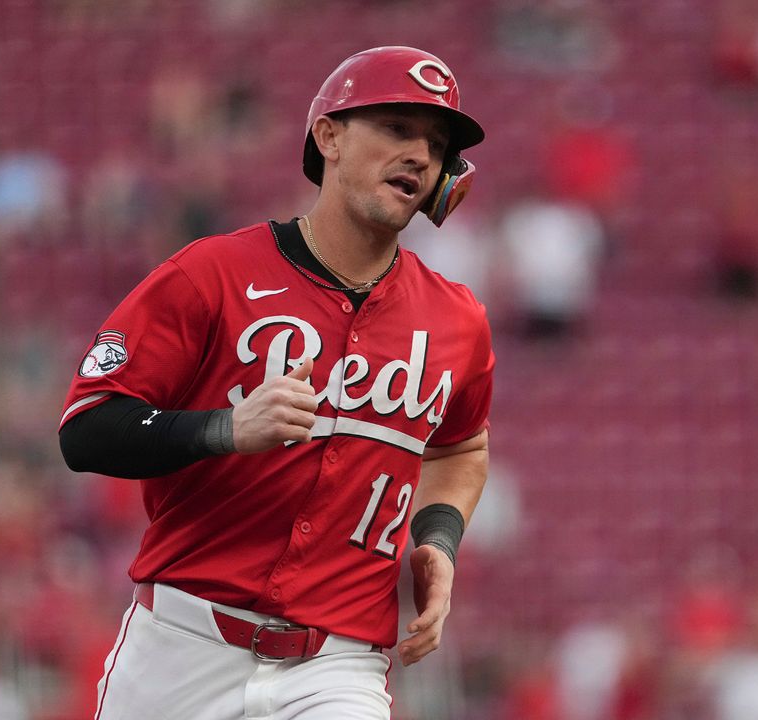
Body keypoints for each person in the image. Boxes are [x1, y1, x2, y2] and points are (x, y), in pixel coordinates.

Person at [57, 46, 494, 719]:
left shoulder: (457, 319)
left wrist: (438, 538)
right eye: (396, 129)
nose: (418, 154)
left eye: (435, 146)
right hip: (181, 645)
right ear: (329, 137)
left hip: (337, 665)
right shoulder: (211, 274)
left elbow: (462, 447)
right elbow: (87, 430)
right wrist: (225, 429)